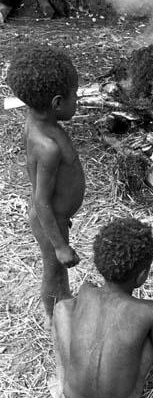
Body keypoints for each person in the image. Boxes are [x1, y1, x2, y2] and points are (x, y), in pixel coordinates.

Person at [52, 218, 153, 398]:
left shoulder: (86, 292)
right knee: (150, 334)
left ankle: (61, 384)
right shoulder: (150, 311)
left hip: (74, 397)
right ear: (142, 276)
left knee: (62, 308)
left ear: (99, 264)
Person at [7, 43, 84, 327]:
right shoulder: (47, 146)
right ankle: (58, 322)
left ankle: (64, 307)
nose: (78, 100)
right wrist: (60, 245)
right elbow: (41, 201)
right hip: (47, 217)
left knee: (58, 269)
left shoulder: (38, 120)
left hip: (56, 216)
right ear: (56, 103)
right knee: (54, 269)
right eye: (74, 95)